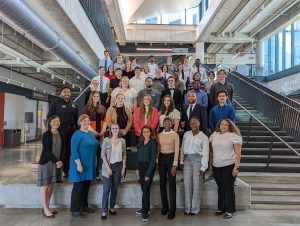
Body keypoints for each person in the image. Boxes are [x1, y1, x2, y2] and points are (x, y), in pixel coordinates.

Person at [209, 119, 242, 219]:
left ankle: (230, 210)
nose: (223, 126)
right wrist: (210, 165)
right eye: (222, 124)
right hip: (216, 165)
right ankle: (221, 208)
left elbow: (238, 153)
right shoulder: (214, 135)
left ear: (229, 126)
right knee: (220, 188)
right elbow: (211, 151)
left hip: (229, 165)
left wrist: (236, 167)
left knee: (229, 188)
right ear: (219, 125)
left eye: (226, 125)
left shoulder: (233, 136)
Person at [69, 114, 99, 217]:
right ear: (80, 122)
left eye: (88, 121)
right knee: (78, 187)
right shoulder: (77, 134)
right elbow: (74, 151)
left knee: (86, 186)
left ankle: (83, 206)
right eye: (84, 121)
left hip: (89, 164)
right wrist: (79, 164)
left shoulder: (90, 133)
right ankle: (75, 209)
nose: (86, 122)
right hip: (79, 164)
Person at [47, 86, 78, 178]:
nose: (67, 93)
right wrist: (52, 129)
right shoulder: (55, 103)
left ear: (70, 94)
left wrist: (78, 130)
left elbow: (77, 119)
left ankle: (66, 170)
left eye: (68, 92)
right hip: (60, 130)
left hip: (72, 130)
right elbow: (50, 116)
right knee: (59, 150)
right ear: (61, 93)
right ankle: (56, 170)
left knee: (69, 150)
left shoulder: (74, 104)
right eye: (65, 92)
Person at [180, 117, 209, 215]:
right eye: (191, 123)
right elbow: (182, 148)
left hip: (198, 160)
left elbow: (206, 153)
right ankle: (187, 208)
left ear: (199, 123)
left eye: (195, 123)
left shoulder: (204, 137)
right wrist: (181, 160)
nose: (193, 125)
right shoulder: (186, 134)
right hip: (187, 160)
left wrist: (203, 167)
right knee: (187, 184)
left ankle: (195, 209)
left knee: (197, 185)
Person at [37, 115, 64, 218]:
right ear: (49, 123)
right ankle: (45, 209)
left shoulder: (61, 133)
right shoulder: (46, 134)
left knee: (51, 186)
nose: (56, 123)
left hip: (56, 163)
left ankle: (47, 207)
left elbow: (63, 149)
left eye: (58, 121)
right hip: (47, 163)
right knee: (44, 187)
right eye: (54, 121)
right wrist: (57, 161)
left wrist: (61, 161)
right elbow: (47, 151)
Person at [101, 123, 126, 219]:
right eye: (113, 128)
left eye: (116, 128)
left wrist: (123, 167)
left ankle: (111, 208)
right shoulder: (106, 140)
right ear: (110, 130)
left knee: (115, 189)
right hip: (108, 166)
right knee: (106, 190)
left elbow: (124, 155)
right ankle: (104, 211)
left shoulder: (123, 141)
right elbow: (103, 155)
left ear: (119, 129)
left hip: (119, 166)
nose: (115, 130)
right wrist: (107, 167)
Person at [158, 117, 180, 220]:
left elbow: (177, 151)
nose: (167, 124)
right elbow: (158, 150)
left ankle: (172, 210)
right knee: (162, 183)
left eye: (169, 123)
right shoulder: (159, 135)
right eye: (165, 123)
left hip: (171, 158)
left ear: (171, 124)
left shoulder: (175, 135)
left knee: (172, 184)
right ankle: (165, 206)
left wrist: (175, 165)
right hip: (162, 159)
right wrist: (157, 162)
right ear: (163, 124)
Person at [82, 91, 107, 181]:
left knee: (98, 153)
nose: (96, 97)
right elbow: (85, 121)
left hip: (100, 134)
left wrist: (103, 130)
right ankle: (89, 173)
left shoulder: (102, 107)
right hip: (90, 134)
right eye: (94, 96)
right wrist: (93, 131)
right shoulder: (86, 108)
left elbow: (105, 120)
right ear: (91, 97)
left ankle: (97, 173)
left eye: (97, 96)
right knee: (90, 154)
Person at [135, 126, 157, 222]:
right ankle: (146, 209)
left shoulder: (153, 143)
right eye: (144, 132)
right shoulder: (140, 143)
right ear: (142, 133)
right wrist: (137, 168)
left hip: (149, 168)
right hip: (141, 167)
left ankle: (144, 213)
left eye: (147, 132)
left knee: (145, 189)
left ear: (150, 133)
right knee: (144, 190)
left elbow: (153, 160)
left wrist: (148, 174)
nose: (146, 133)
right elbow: (138, 157)